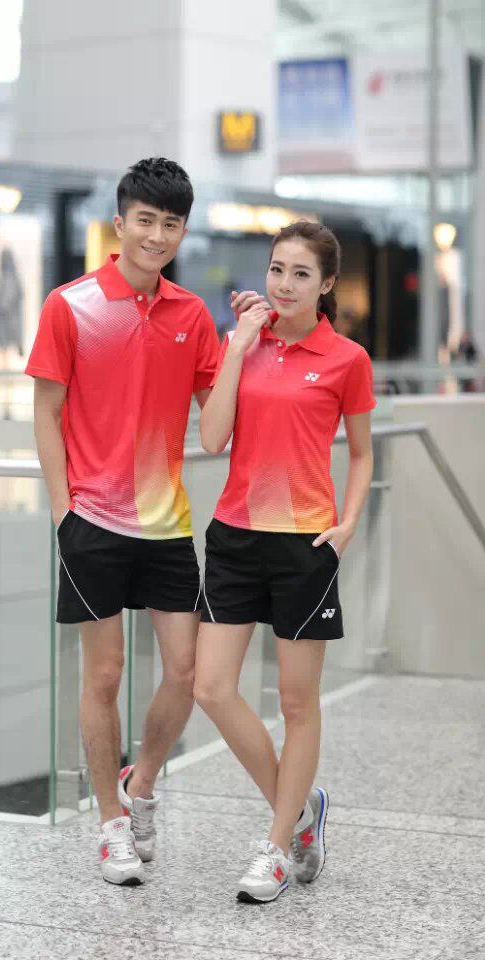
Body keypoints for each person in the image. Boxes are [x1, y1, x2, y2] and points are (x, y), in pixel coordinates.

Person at [25, 158, 219, 886]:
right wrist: (62, 510)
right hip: (92, 522)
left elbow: (219, 420)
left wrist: (255, 342)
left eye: (171, 224)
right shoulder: (69, 306)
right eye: (146, 220)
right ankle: (110, 821)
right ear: (119, 223)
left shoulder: (193, 316)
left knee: (187, 671)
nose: (157, 236)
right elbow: (45, 413)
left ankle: (143, 785)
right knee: (103, 674)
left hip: (167, 522)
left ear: (182, 231)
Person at [194, 220, 375, 904]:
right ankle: (301, 813)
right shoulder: (244, 342)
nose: (285, 284)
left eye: (301, 274)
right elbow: (212, 437)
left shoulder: (347, 359)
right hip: (235, 536)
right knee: (211, 688)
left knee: (298, 704)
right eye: (277, 269)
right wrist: (238, 345)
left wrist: (349, 521)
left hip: (305, 545)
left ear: (326, 285)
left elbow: (362, 452)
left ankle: (274, 847)